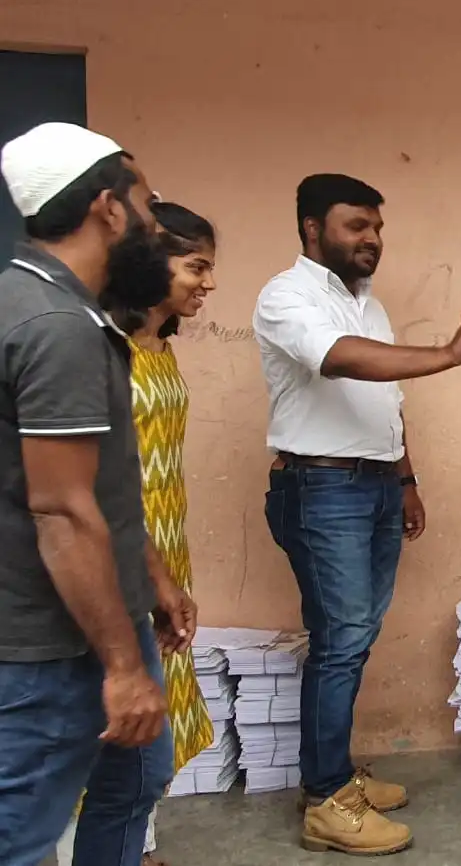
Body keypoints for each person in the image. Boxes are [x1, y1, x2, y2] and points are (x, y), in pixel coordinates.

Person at [252, 174, 461, 855]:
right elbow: (340, 360)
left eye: (376, 227)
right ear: (312, 228)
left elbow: (388, 400)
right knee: (341, 640)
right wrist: (447, 354)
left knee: (352, 636)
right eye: (356, 225)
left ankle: (334, 775)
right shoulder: (285, 296)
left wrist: (406, 480)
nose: (372, 239)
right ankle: (325, 799)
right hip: (322, 488)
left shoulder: (367, 305)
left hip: (373, 485)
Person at [0, 123, 195, 866]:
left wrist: (151, 575)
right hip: (53, 639)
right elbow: (59, 509)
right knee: (20, 834)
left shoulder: (57, 306)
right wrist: (121, 666)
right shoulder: (57, 327)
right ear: (108, 209)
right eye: (146, 203)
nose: (155, 223)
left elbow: (96, 484)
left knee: (137, 773)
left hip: (99, 613)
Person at [57, 203, 220, 866]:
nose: (208, 283)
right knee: (107, 718)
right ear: (151, 263)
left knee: (152, 718)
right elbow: (90, 478)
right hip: (116, 549)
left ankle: (138, 845)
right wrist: (149, 569)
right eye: (195, 267)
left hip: (163, 543)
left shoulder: (158, 346)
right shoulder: (102, 347)